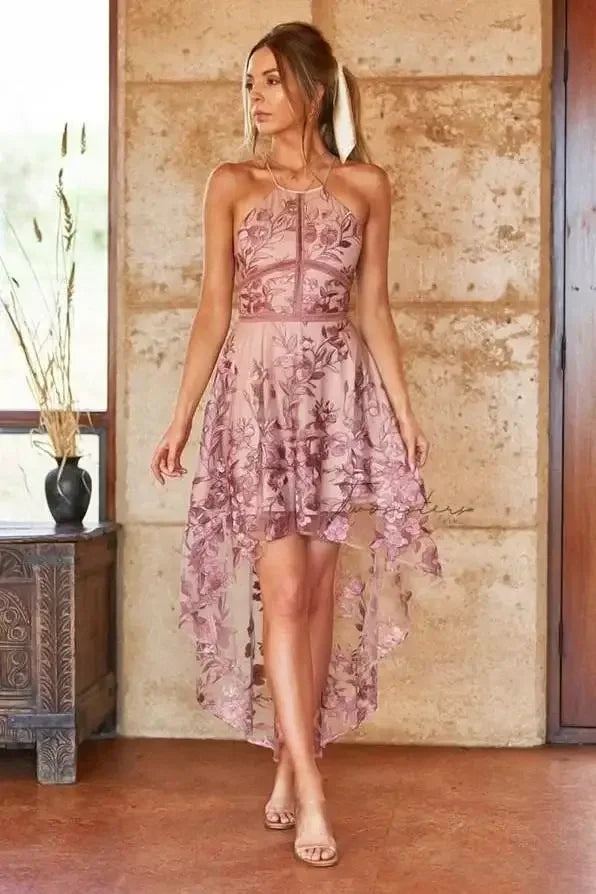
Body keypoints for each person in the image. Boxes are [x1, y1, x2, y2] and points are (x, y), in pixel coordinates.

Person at [150, 21, 449, 868]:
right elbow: (214, 308)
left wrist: (403, 408)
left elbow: (375, 310)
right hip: (256, 400)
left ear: (314, 89)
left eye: (272, 80)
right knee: (281, 597)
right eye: (250, 82)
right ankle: (313, 791)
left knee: (317, 597)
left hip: (335, 400)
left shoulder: (366, 187)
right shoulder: (230, 183)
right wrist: (181, 416)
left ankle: (289, 758)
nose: (255, 95)